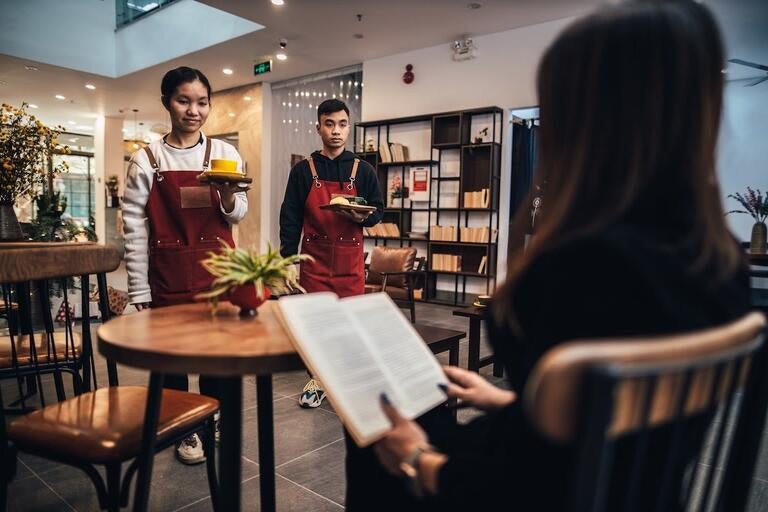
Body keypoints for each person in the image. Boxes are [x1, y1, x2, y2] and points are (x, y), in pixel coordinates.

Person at [347, 1, 751, 510]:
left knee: (372, 418)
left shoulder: (582, 270)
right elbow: (612, 427)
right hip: (635, 492)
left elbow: (528, 485)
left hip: (526, 490)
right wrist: (512, 401)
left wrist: (420, 462)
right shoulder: (723, 266)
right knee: (421, 401)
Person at [122, 66, 248, 464]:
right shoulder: (148, 160)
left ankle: (214, 419)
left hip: (219, 275)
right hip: (169, 275)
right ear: (167, 103)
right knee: (174, 361)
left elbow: (238, 214)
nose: (194, 110)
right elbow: (133, 228)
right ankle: (185, 431)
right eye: (184, 101)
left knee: (218, 359)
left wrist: (228, 197)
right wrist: (139, 289)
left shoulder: (225, 153)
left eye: (202, 102)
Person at [279, 98, 384, 408]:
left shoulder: (362, 169)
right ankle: (319, 378)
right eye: (329, 124)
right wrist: (287, 259)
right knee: (318, 324)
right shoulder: (302, 170)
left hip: (350, 259)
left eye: (341, 124)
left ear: (348, 127)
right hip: (314, 259)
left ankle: (344, 377)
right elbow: (290, 217)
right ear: (318, 127)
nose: (336, 131)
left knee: (350, 323)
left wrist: (364, 216)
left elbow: (378, 210)